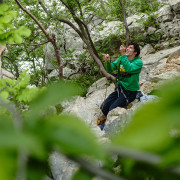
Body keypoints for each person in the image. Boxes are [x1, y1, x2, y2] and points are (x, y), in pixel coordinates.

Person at [97, 42, 143, 128]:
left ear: (135, 52)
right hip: (119, 89)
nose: (127, 49)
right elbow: (110, 69)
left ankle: (106, 127)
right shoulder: (121, 59)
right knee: (104, 106)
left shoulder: (138, 62)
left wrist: (123, 55)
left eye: (130, 48)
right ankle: (108, 119)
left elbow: (129, 68)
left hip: (129, 91)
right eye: (127, 47)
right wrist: (107, 61)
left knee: (113, 109)